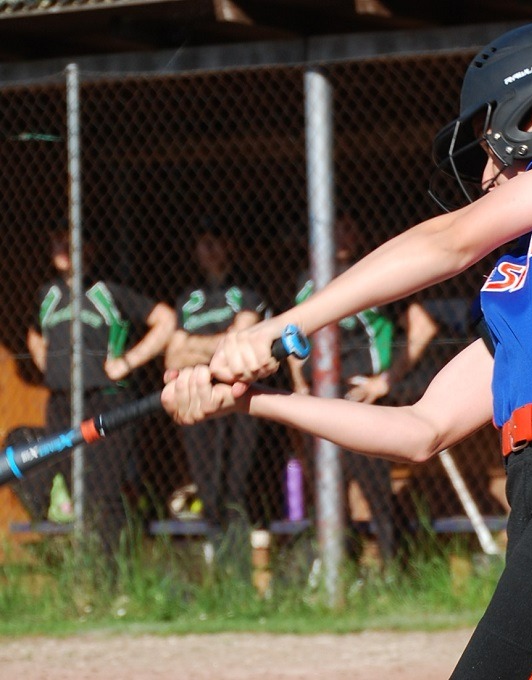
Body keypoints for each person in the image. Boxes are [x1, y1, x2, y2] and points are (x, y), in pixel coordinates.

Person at [162, 19, 532, 678]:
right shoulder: (527, 287)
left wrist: (280, 327)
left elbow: (451, 242)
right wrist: (257, 402)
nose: (489, 175)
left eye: (494, 151)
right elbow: (418, 429)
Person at [21, 228, 176, 553]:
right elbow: (34, 334)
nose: (63, 248)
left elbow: (165, 319)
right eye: (57, 241)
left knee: (102, 492)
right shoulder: (48, 295)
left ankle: (112, 572)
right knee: (74, 488)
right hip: (62, 403)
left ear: (88, 248)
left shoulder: (107, 290)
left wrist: (127, 361)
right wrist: (46, 362)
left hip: (105, 400)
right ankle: (87, 568)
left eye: (71, 241)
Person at [286, 214, 399, 562]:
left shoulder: (374, 274)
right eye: (336, 230)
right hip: (321, 396)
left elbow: (418, 326)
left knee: (375, 488)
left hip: (358, 393)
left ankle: (395, 567)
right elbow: (291, 334)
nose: (343, 236)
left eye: (349, 228)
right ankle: (340, 567)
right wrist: (299, 386)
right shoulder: (310, 281)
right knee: (326, 488)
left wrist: (385, 380)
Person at [164, 225, 267, 536]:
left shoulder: (246, 291)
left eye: (214, 243)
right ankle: (214, 548)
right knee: (205, 482)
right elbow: (172, 358)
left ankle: (236, 557)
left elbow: (241, 340)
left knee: (235, 483)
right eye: (202, 244)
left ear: (228, 246)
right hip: (197, 393)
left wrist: (193, 346)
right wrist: (219, 343)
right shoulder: (188, 299)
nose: (208, 251)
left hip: (236, 395)